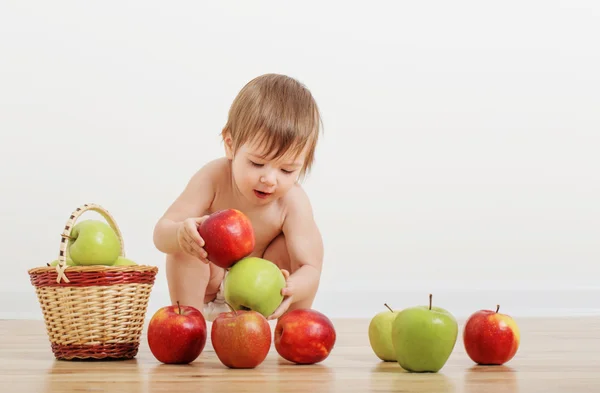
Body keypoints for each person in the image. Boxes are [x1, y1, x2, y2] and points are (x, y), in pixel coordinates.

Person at [153, 73, 324, 321]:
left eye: (287, 170)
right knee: (187, 239)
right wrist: (180, 234)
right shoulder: (213, 178)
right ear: (230, 145)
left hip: (259, 299)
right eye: (257, 163)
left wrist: (292, 287)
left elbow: (310, 269)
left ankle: (293, 331)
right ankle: (189, 323)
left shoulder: (293, 202)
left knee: (292, 251)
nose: (270, 179)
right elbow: (161, 233)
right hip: (207, 292)